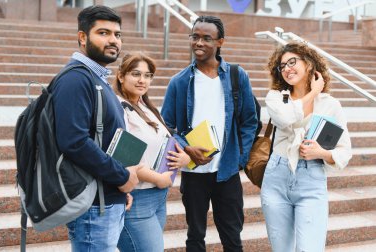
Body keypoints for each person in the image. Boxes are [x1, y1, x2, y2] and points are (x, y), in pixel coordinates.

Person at [161, 16, 258, 251]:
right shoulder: (179, 82)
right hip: (194, 173)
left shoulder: (237, 76)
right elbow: (167, 127)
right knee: (195, 235)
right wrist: (186, 148)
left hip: (227, 171)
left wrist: (239, 159)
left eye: (206, 38)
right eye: (195, 37)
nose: (199, 43)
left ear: (220, 42)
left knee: (232, 236)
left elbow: (249, 121)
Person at [52, 5, 143, 252]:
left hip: (106, 198)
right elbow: (74, 141)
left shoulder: (97, 78)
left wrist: (117, 187)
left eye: (117, 34)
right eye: (103, 33)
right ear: (82, 37)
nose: (113, 40)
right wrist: (121, 177)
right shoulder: (76, 79)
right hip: (93, 206)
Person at [261, 42, 352, 252]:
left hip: (311, 181)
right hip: (277, 177)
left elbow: (344, 150)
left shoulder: (330, 105)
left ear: (309, 64)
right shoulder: (276, 97)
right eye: (282, 66)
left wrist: (321, 153)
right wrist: (313, 92)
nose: (286, 69)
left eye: (292, 62)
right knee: (281, 248)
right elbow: (285, 117)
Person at [114, 52, 191, 252]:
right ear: (121, 76)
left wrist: (182, 157)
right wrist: (158, 179)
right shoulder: (118, 108)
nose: (142, 80)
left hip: (157, 197)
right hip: (137, 198)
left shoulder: (145, 106)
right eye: (136, 74)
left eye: (148, 75)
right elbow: (122, 158)